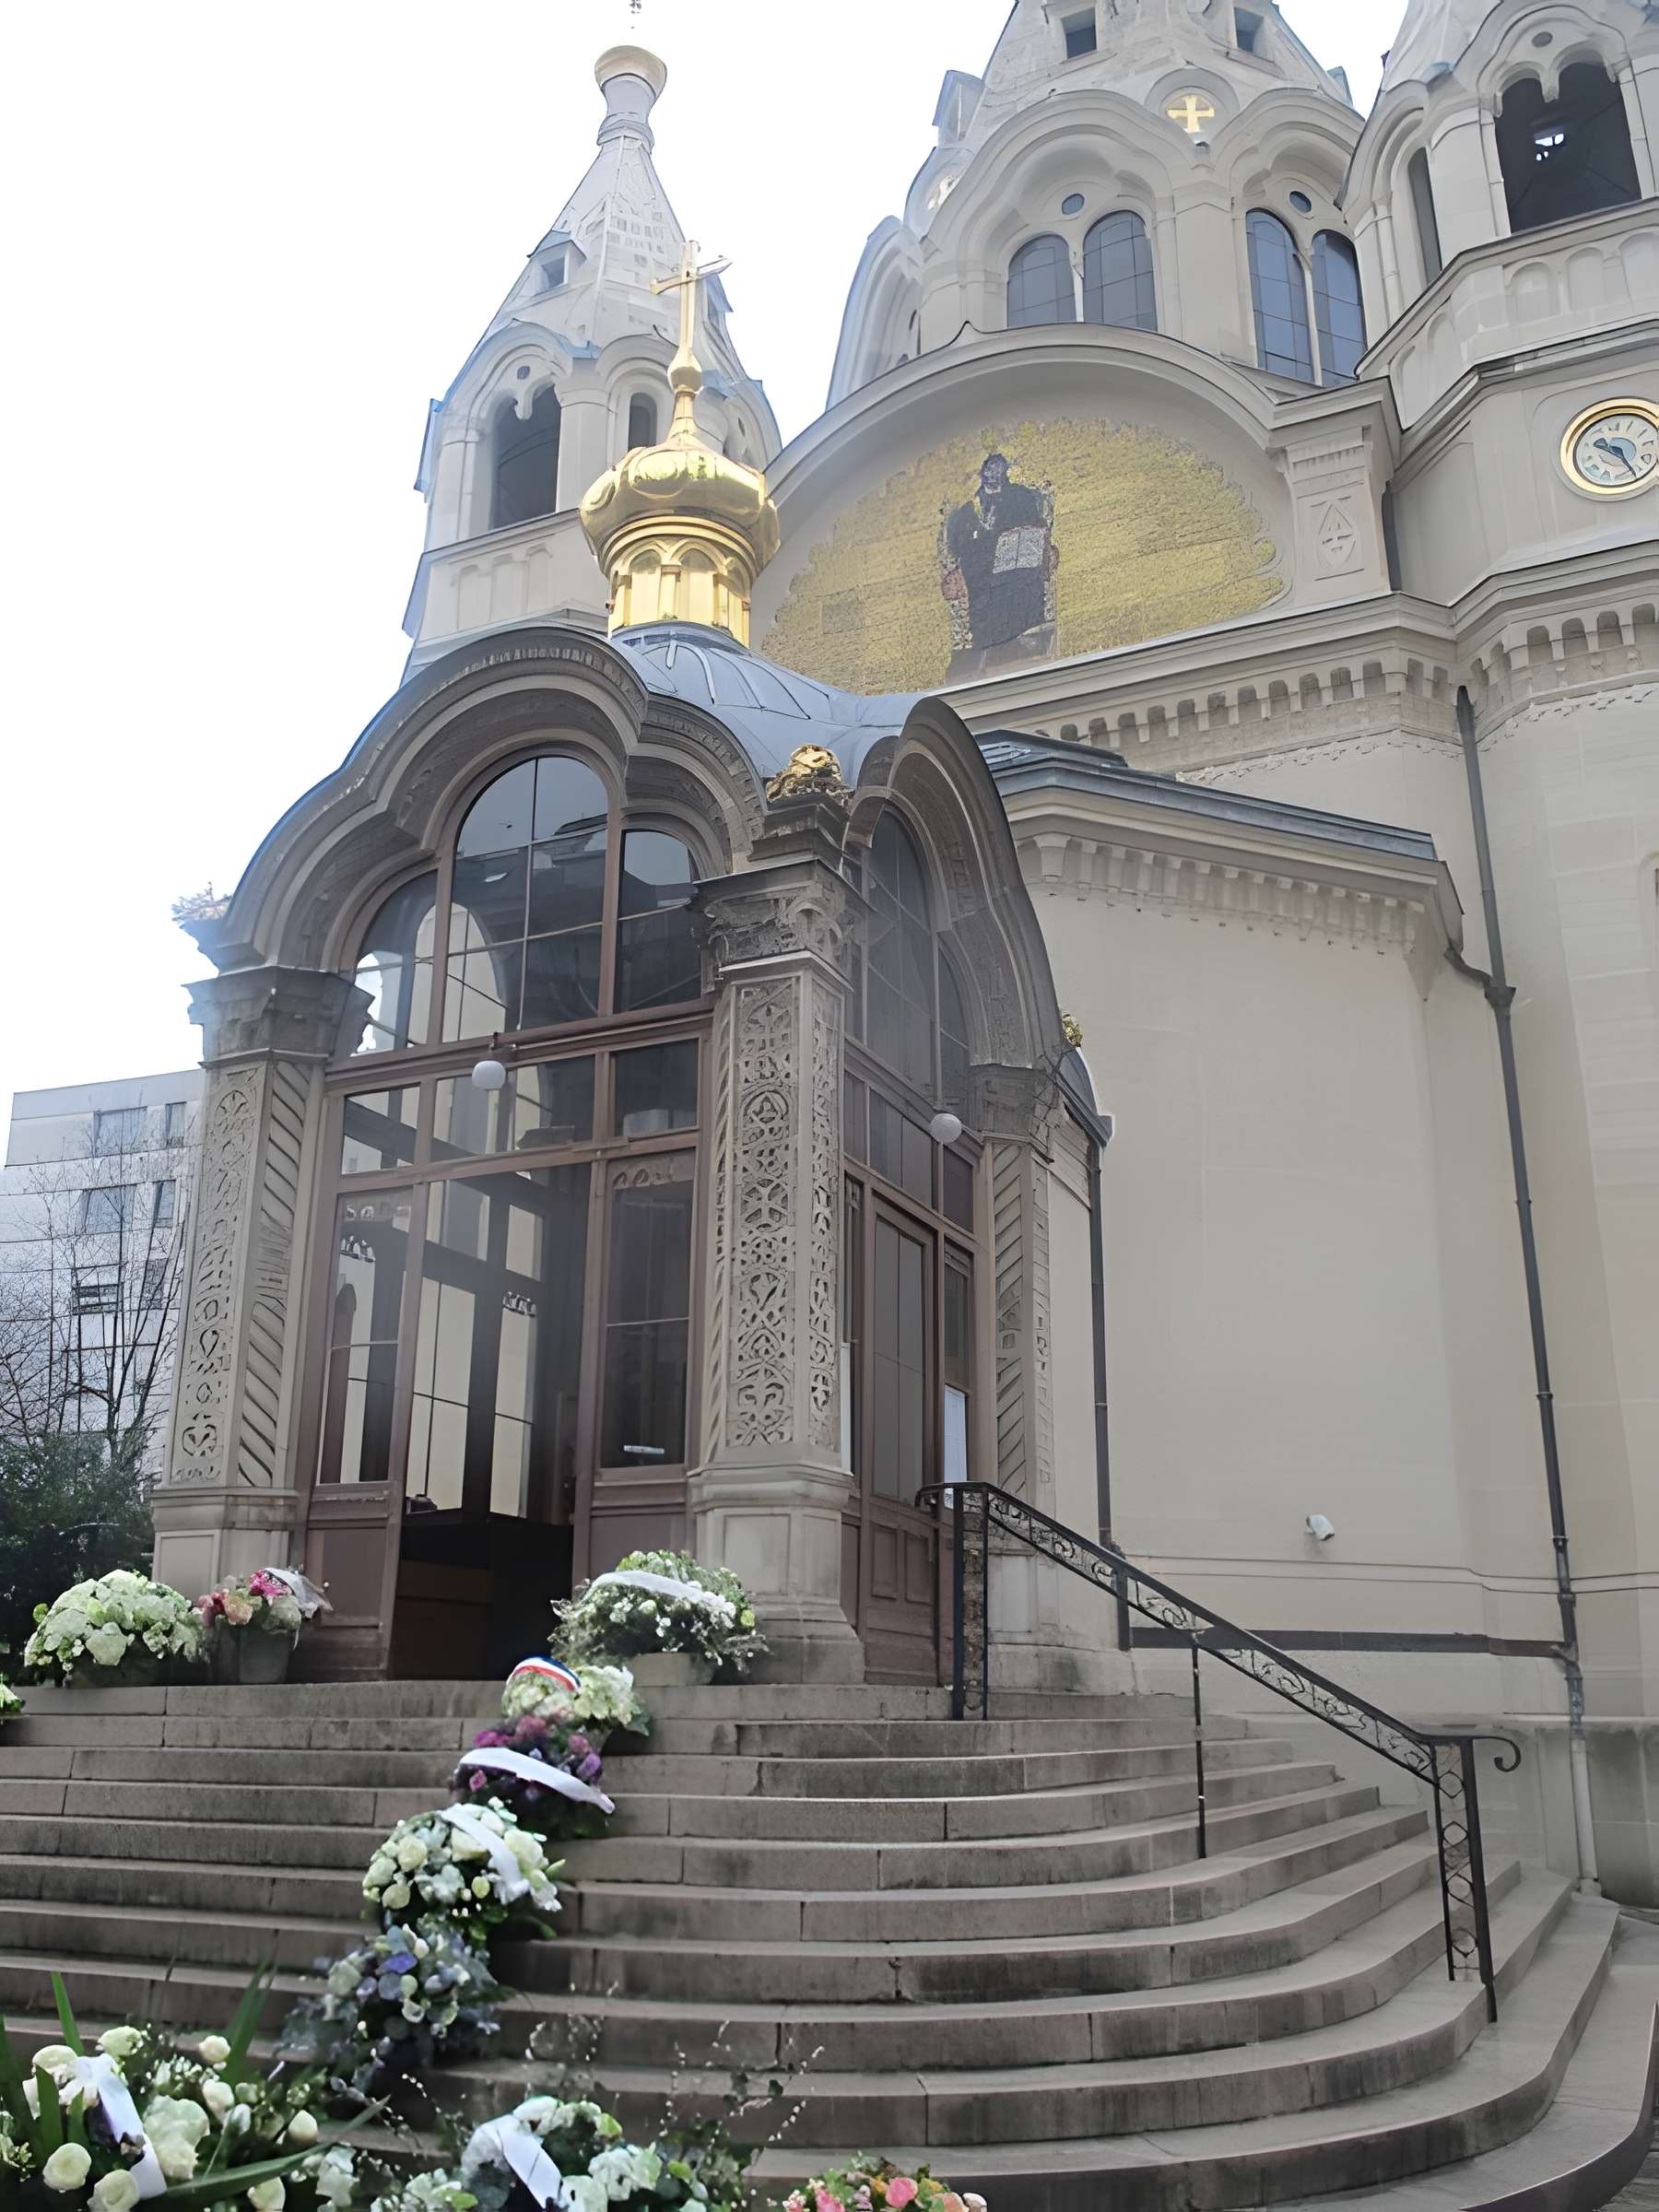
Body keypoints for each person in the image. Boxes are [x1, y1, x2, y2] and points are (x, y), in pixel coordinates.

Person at [940, 453, 1059, 666]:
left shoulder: (1022, 497)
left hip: (1018, 574)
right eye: (989, 472)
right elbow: (957, 546)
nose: (992, 476)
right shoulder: (966, 511)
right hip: (985, 584)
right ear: (982, 474)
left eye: (997, 472)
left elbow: (1036, 526)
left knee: (1023, 595)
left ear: (1005, 474)